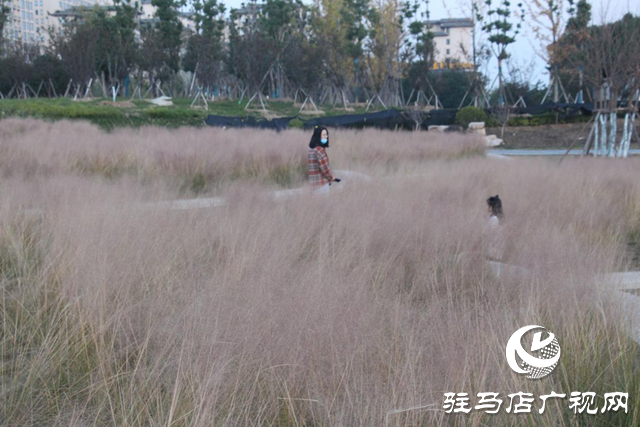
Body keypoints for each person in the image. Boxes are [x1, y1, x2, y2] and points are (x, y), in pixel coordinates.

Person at [308, 126, 340, 193]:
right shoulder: (320, 150)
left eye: (326, 134)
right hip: (321, 185)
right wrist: (332, 177)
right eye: (324, 135)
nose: (326, 137)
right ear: (318, 136)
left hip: (313, 185)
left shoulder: (311, 151)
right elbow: (325, 169)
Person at [485, 195, 505, 262]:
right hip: (498, 252)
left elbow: (490, 235)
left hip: (492, 251)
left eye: (489, 206)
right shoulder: (500, 218)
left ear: (492, 207)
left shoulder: (494, 219)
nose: (487, 208)